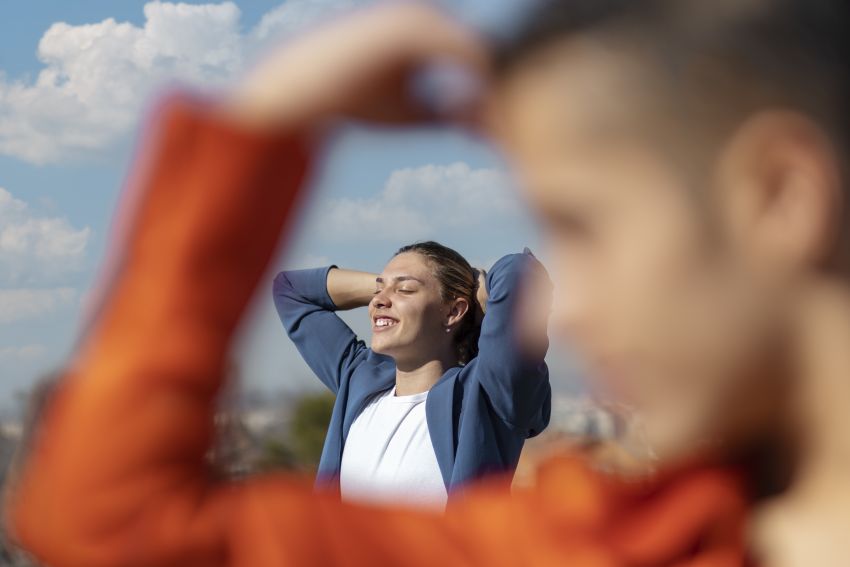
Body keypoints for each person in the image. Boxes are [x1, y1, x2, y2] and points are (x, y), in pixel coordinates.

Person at [8, 1, 850, 565]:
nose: (579, 310)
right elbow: (100, 517)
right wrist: (268, 116)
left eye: (588, 224)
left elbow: (522, 278)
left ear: (781, 195)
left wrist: (473, 285)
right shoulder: (615, 539)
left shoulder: (495, 409)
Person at [273, 241, 551, 508]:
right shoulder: (358, 378)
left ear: (454, 311)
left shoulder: (486, 395)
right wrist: (389, 287)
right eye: (377, 293)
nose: (379, 301)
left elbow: (519, 274)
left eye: (406, 289)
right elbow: (290, 290)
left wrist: (477, 293)